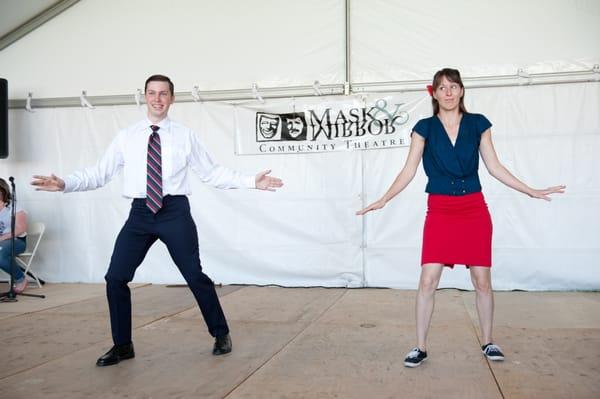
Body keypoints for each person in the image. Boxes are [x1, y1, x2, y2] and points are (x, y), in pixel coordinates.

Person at [32, 74, 283, 367]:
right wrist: (65, 184)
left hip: (174, 211)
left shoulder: (184, 135)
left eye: (164, 94)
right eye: (152, 93)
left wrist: (252, 181)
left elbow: (213, 173)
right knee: (115, 278)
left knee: (194, 275)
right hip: (140, 213)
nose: (158, 99)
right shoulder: (127, 136)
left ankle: (220, 332)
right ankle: (122, 345)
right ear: (144, 96)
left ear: (172, 99)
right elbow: (98, 173)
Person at [356, 68, 565, 368]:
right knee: (428, 279)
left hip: (473, 209)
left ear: (462, 91)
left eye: (454, 86)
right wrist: (384, 199)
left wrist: (529, 190)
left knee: (481, 280)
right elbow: (408, 170)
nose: (449, 92)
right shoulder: (423, 128)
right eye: (442, 88)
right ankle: (420, 346)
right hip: (440, 210)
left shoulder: (478, 124)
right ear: (435, 94)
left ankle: (488, 341)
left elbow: (495, 167)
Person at [0, 178, 28, 293]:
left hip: (17, 240)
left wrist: (2, 238)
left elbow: (21, 229)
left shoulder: (13, 206)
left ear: (3, 191)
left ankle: (20, 279)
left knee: (0, 255)